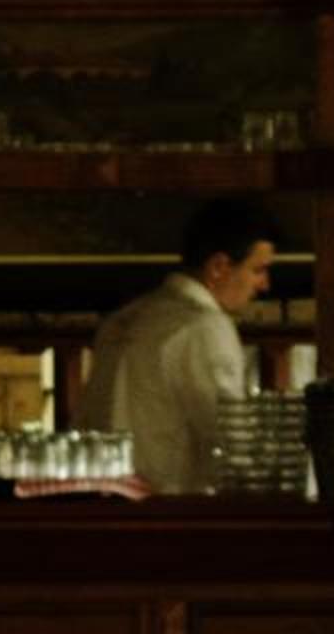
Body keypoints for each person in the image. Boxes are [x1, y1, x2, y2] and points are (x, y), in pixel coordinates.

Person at [83, 199, 278, 493]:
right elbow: (231, 439)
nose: (264, 285)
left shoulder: (123, 319)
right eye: (258, 270)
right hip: (171, 508)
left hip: (101, 503)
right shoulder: (204, 328)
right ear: (219, 267)